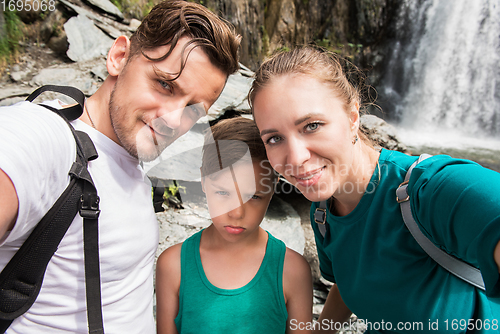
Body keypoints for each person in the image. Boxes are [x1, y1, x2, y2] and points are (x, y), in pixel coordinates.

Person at [0, 1, 240, 333]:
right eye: (165, 84)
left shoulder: (124, 154)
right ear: (119, 57)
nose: (173, 120)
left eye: (193, 109)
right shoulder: (42, 138)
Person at [249, 46, 500, 333]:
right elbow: (349, 281)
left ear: (353, 117)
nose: (295, 158)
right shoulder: (322, 213)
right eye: (274, 138)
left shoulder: (432, 190)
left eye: (312, 125)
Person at [155, 117, 313, 334]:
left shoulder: (293, 271)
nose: (237, 213)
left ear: (273, 187)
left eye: (254, 196)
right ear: (203, 179)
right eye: (223, 192)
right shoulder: (173, 266)